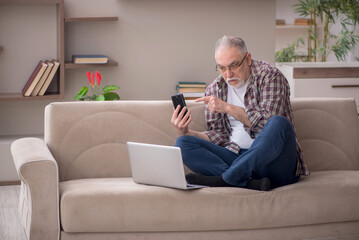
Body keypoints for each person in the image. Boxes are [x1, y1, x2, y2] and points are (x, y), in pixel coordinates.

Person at [171, 36, 309, 191]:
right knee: (183, 143)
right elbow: (219, 135)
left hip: (273, 162)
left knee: (279, 123)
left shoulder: (270, 76)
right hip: (236, 156)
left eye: (234, 65)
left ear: (248, 59)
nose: (228, 74)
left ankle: (226, 178)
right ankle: (247, 182)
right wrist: (186, 132)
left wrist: (228, 108)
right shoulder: (215, 89)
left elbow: (267, 125)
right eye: (222, 68)